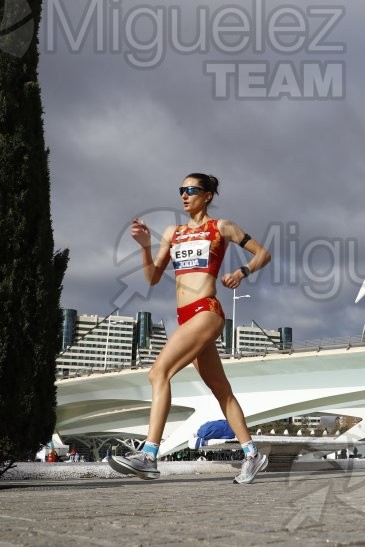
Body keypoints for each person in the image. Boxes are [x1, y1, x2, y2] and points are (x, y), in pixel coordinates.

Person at [108, 173, 272, 483]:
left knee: (158, 372)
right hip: (185, 318)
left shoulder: (221, 227)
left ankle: (149, 455)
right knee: (220, 389)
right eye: (181, 190)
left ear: (207, 195)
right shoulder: (174, 232)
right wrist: (145, 246)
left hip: (206, 311)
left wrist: (242, 271)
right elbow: (153, 277)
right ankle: (252, 454)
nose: (184, 195)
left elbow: (263, 254)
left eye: (192, 190)